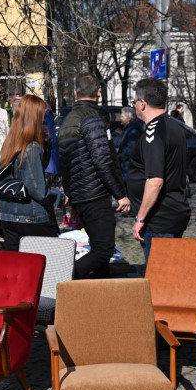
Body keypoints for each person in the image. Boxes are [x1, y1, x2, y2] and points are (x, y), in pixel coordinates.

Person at [57, 74, 130, 278]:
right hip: (94, 194)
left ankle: (99, 300)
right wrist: (120, 194)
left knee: (100, 251)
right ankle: (63, 280)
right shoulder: (92, 118)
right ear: (98, 93)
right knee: (104, 249)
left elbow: (65, 163)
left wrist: (71, 195)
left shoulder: (67, 120)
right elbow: (103, 160)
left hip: (81, 195)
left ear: (75, 93)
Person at [127, 78, 190, 261]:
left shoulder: (153, 130)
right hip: (172, 213)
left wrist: (139, 219)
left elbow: (155, 181)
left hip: (159, 220)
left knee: (159, 280)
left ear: (143, 103)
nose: (135, 106)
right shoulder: (174, 125)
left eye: (135, 102)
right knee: (168, 276)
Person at [0, 94, 66, 251]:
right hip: (31, 217)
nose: (44, 120)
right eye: (42, 116)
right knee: (55, 261)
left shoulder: (10, 143)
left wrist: (46, 144)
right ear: (35, 118)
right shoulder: (32, 148)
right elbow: (38, 189)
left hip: (8, 216)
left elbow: (34, 171)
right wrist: (60, 197)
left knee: (18, 267)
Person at [115, 106, 143, 183]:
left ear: (129, 118)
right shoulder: (129, 129)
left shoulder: (133, 130)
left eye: (122, 116)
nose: (120, 118)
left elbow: (131, 148)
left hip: (128, 167)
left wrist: (121, 155)